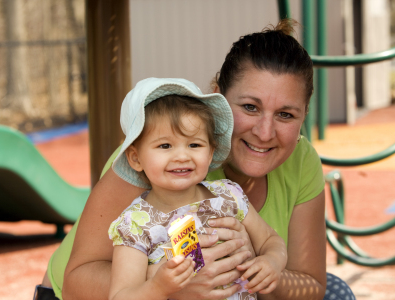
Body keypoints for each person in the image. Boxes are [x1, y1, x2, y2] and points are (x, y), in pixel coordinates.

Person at [36, 19, 356, 300]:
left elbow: (311, 285)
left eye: (286, 114)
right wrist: (172, 285)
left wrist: (260, 269)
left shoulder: (269, 175)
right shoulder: (161, 161)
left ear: (304, 117)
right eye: (249, 107)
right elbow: (77, 283)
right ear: (217, 97)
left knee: (336, 293)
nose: (265, 131)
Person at [107, 78, 288, 300]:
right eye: (165, 146)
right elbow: (120, 296)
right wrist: (158, 288)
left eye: (194, 145)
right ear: (136, 158)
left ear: (210, 152)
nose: (182, 156)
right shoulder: (135, 224)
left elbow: (270, 239)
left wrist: (272, 260)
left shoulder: (229, 195)